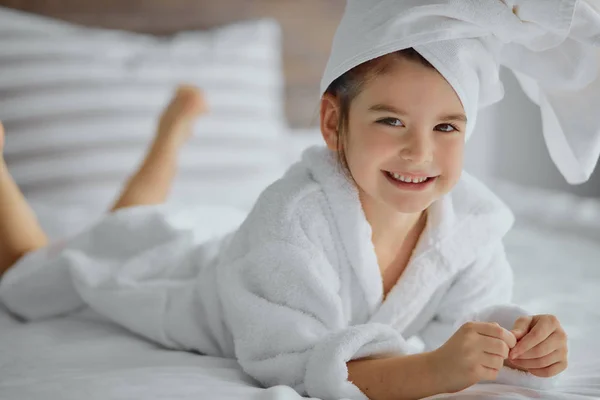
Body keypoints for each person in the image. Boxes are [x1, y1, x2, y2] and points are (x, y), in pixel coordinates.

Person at [3, 0, 600, 398]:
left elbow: (470, 315)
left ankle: (173, 131)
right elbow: (290, 359)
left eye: (447, 128)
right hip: (197, 285)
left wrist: (516, 335)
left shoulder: (470, 223)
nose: (421, 153)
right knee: (56, 265)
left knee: (131, 223)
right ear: (331, 121)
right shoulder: (293, 220)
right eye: (391, 121)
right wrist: (432, 371)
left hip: (215, 242)